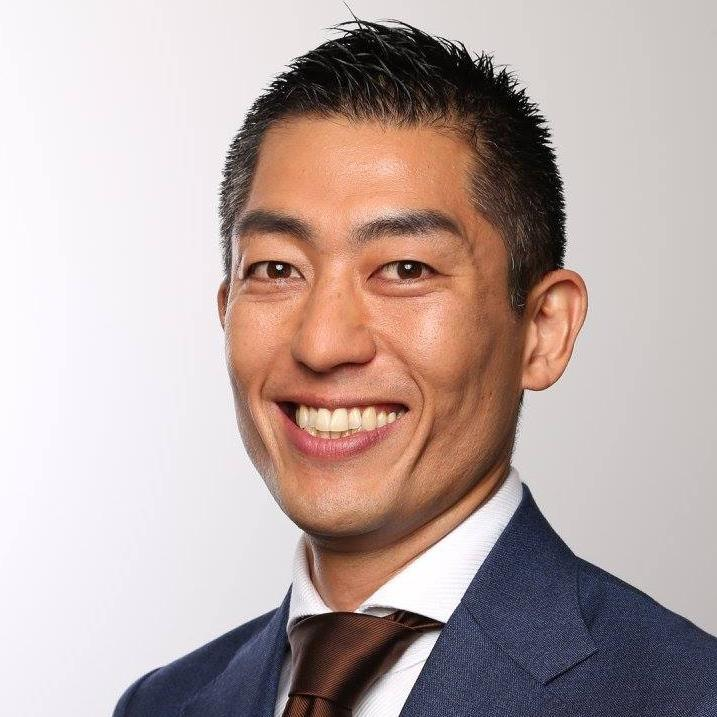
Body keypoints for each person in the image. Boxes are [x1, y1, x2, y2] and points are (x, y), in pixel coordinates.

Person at [113, 18, 717, 717]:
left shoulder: (684, 696)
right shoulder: (164, 703)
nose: (322, 343)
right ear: (226, 309)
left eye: (405, 268)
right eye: (277, 269)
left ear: (542, 329)